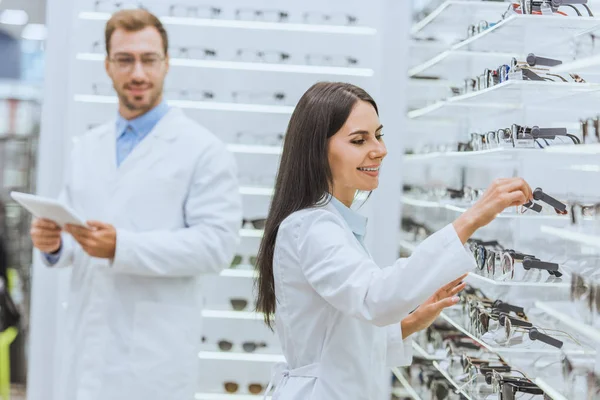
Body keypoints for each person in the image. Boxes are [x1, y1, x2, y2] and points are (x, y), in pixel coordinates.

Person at [255, 82, 533, 399]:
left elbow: (343, 339)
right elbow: (376, 298)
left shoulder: (329, 224)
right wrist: (471, 218)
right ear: (318, 150)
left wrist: (412, 321)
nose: (379, 149)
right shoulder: (311, 227)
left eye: (378, 135)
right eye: (359, 140)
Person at [29, 9, 241, 400]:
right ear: (108, 66)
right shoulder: (87, 148)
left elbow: (216, 247)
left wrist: (122, 247)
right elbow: (75, 233)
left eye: (149, 59)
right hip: (86, 349)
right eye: (125, 60)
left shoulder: (203, 151)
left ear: (167, 63)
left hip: (153, 360)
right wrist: (54, 244)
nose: (138, 73)